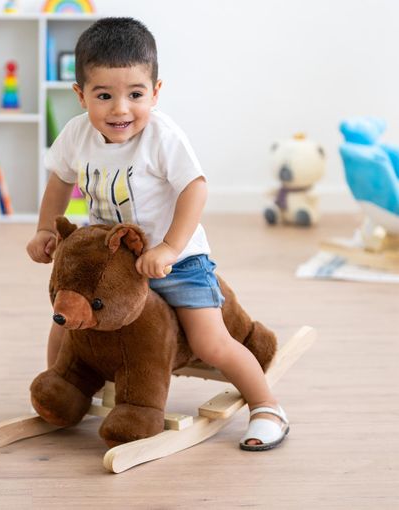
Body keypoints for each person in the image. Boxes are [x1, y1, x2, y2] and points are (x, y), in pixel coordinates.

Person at [26, 17, 289, 451]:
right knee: (65, 322)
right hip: (114, 263)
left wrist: (170, 246)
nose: (120, 110)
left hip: (179, 259)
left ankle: (267, 406)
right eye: (104, 96)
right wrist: (42, 229)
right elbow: (59, 180)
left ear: (156, 92)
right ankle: (64, 388)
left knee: (210, 339)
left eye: (135, 95)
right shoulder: (76, 134)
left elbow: (195, 188)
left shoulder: (161, 136)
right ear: (81, 95)